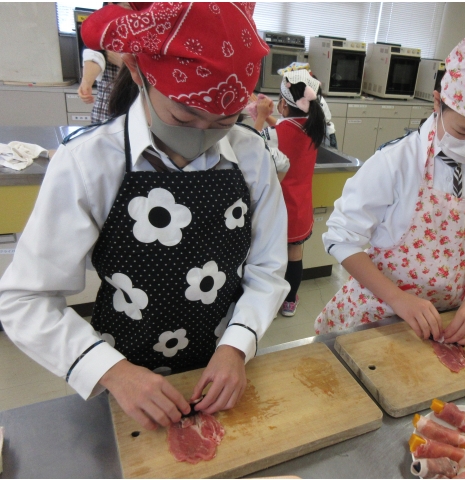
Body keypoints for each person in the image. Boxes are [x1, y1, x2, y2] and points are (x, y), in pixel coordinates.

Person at [0, 2, 289, 431]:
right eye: (184, 116)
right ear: (138, 72)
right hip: (123, 373)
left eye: (223, 121)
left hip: (225, 366)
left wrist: (237, 346)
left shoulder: (251, 157)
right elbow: (24, 299)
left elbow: (266, 268)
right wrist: (112, 373)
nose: (202, 136)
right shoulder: (90, 161)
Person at [315, 18, 465, 355]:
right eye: (464, 132)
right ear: (438, 102)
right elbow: (341, 238)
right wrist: (398, 298)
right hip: (375, 314)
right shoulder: (395, 163)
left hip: (446, 319)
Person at [253, 64, 326, 316]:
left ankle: (270, 303)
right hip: (301, 206)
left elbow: (253, 144)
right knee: (295, 253)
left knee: (272, 257)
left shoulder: (278, 132)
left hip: (278, 205)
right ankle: (290, 302)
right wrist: (272, 118)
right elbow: (286, 128)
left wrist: (260, 117)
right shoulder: (315, 128)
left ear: (284, 105)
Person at [76, 2, 131, 123]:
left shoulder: (144, 31)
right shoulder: (102, 28)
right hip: (106, 109)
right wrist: (86, 83)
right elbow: (94, 55)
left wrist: (124, 63)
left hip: (134, 107)